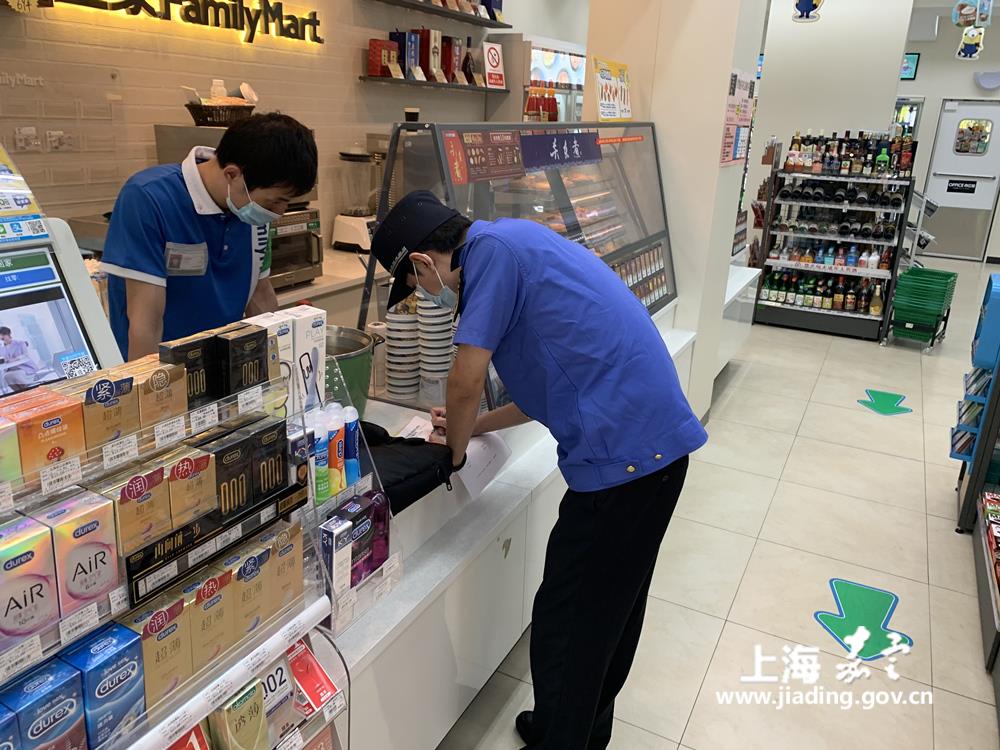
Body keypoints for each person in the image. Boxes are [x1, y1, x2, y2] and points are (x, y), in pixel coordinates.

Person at [371, 190, 708, 750]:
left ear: (424, 263)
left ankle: (562, 739)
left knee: (568, 623)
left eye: (417, 284)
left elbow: (464, 379)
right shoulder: (513, 239)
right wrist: (474, 427)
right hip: (652, 454)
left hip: (624, 466)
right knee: (608, 616)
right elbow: (540, 391)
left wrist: (452, 452)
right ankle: (571, 730)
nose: (428, 295)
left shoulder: (489, 258)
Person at [100, 112, 318, 360]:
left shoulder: (250, 212)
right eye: (275, 201)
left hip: (222, 362)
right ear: (232, 174)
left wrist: (282, 361)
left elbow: (260, 293)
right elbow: (145, 322)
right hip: (160, 364)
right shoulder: (149, 198)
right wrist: (151, 383)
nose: (278, 213)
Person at [0, 326, 38, 392]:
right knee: (6, 376)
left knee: (16, 375)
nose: (2, 337)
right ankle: (20, 393)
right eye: (1, 336)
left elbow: (26, 356)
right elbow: (3, 359)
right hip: (10, 369)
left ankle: (27, 391)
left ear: (8, 334)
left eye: (3, 335)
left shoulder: (20, 343)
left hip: (24, 367)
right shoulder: (2, 348)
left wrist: (15, 359)